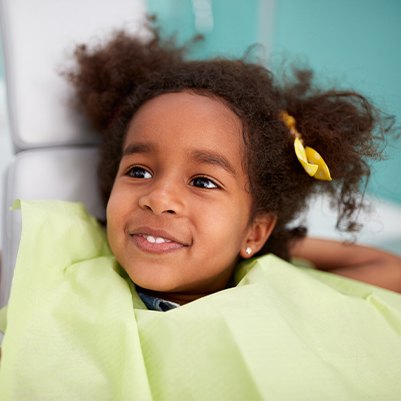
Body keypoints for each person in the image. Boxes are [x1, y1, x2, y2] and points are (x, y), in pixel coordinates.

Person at [1, 22, 401, 400]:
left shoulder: (277, 288)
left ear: (256, 231)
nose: (158, 198)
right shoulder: (71, 280)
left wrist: (269, 245)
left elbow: (387, 269)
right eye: (138, 171)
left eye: (203, 181)